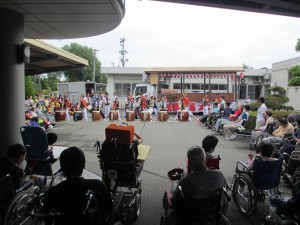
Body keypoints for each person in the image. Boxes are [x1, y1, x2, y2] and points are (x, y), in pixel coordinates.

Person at [41, 147, 113, 225]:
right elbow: (109, 208)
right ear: (83, 166)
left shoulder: (52, 192)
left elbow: (44, 215)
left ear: (62, 168)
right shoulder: (98, 186)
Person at [171, 146, 227, 224]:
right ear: (205, 160)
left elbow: (174, 202)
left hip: (189, 221)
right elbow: (223, 200)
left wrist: (182, 177)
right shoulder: (219, 176)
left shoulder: (184, 182)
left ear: (189, 163)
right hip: (212, 219)